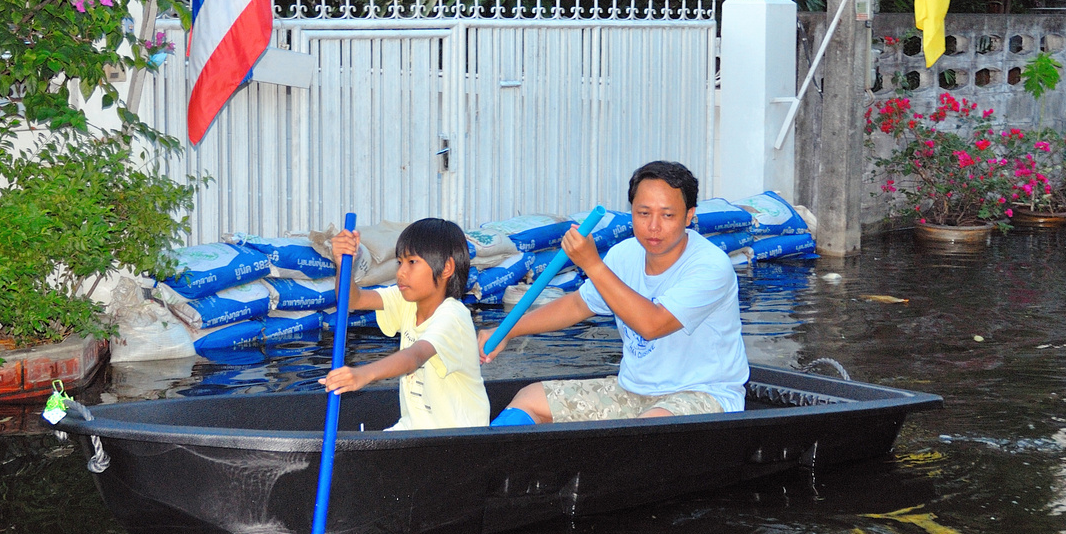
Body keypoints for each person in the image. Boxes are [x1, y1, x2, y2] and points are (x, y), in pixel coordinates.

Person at [481, 161, 748, 425]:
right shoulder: (624, 254)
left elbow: (652, 324)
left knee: (648, 428)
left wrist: (592, 263)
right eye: (643, 213)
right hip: (634, 391)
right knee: (530, 398)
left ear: (689, 216)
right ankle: (487, 461)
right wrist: (506, 331)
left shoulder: (711, 266)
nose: (653, 226)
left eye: (667, 215)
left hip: (704, 394)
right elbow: (577, 305)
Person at [319, 217, 490, 430]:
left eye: (412, 262)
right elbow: (353, 300)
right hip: (413, 429)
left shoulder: (453, 317)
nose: (400, 272)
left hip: (457, 438)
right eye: (400, 262)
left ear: (446, 268)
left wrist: (363, 374)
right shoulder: (408, 301)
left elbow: (415, 356)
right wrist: (342, 264)